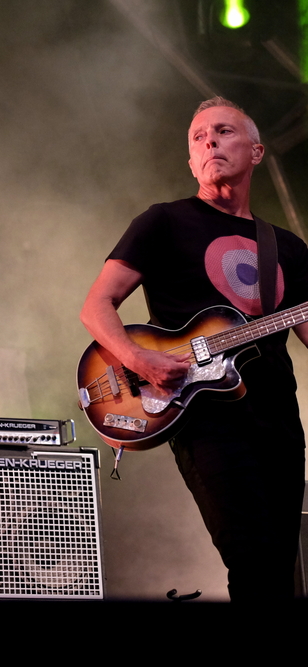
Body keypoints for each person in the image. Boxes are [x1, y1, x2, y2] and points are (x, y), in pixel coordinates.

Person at [80, 97, 308, 600]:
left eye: (223, 131)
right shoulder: (164, 222)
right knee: (249, 556)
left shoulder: (287, 248)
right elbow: (96, 306)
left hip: (279, 421)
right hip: (205, 418)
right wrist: (140, 359)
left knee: (279, 568)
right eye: (198, 138)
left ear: (255, 150)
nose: (209, 141)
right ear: (190, 161)